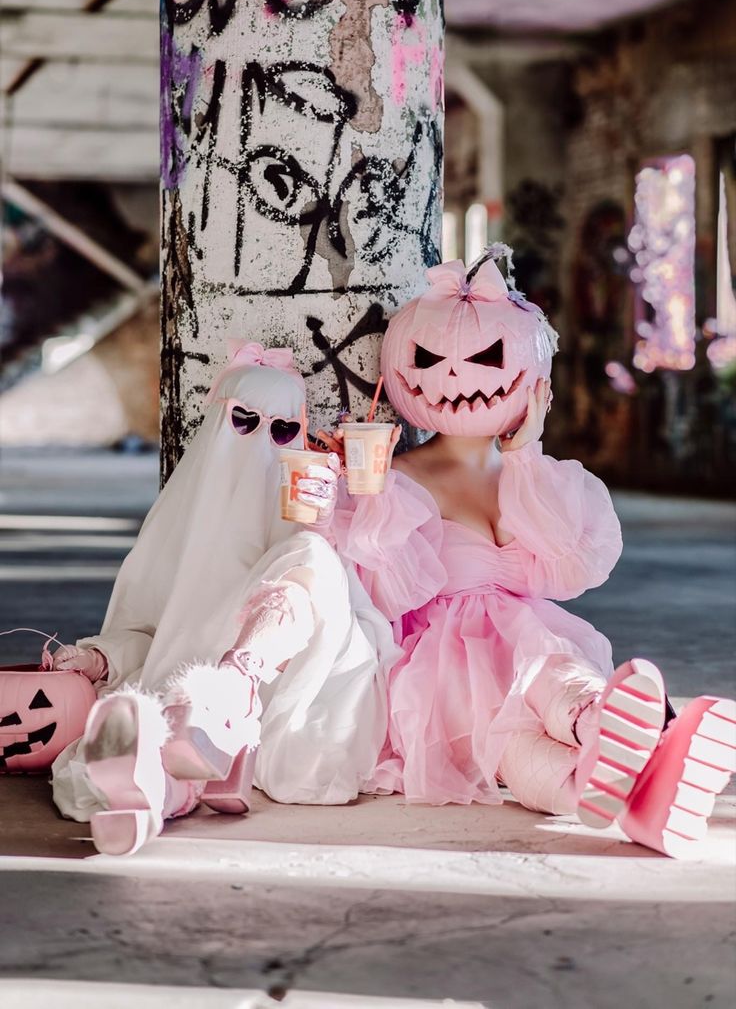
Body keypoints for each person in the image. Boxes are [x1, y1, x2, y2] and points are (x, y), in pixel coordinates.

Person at [322, 246, 735, 858]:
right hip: (440, 660)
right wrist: (364, 486)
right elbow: (381, 587)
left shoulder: (538, 478)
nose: (458, 375)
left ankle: (620, 752)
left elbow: (574, 568)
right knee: (508, 743)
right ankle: (627, 776)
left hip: (529, 636)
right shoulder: (395, 479)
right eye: (432, 360)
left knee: (554, 671)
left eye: (487, 357)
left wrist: (526, 452)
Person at [50, 342, 398, 856]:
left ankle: (230, 692)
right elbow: (146, 630)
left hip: (287, 697)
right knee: (159, 734)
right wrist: (102, 657)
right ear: (217, 422)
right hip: (184, 692)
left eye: (282, 431)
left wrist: (326, 526)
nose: (262, 442)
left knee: (313, 556)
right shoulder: (174, 532)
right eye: (243, 421)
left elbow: (351, 622)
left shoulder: (306, 521)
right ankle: (146, 799)